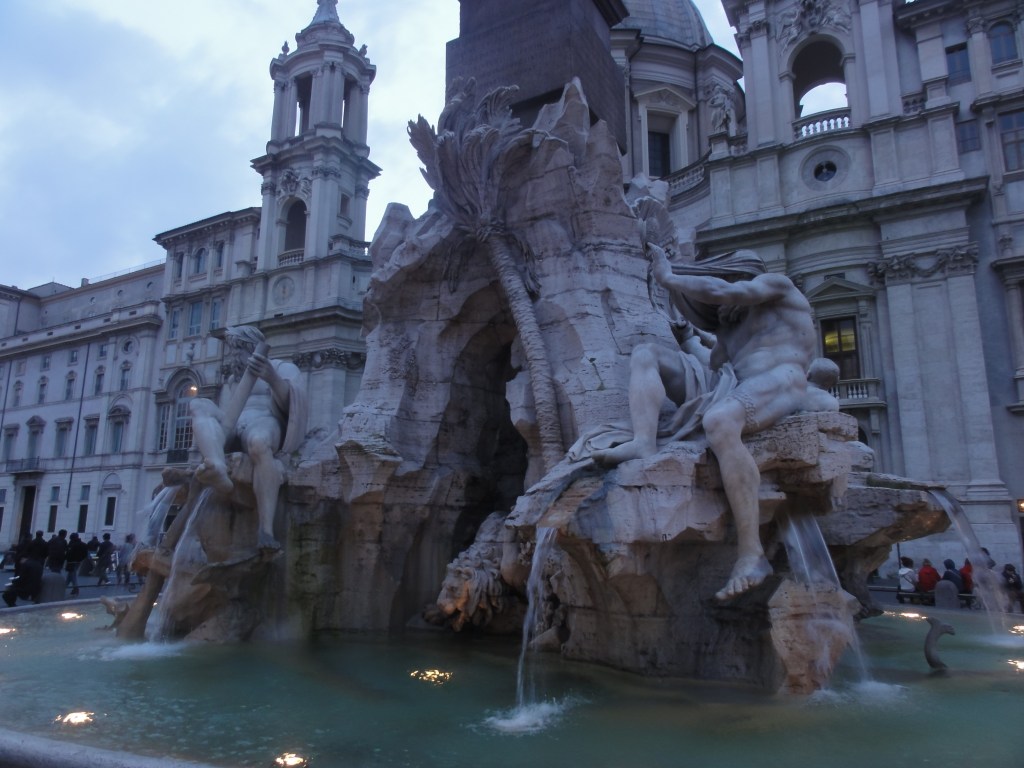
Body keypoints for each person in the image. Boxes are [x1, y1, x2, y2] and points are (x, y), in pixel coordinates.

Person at [591, 246, 816, 601]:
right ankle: (643, 441)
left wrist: (668, 278)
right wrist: (689, 339)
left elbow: (727, 293)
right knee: (646, 353)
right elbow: (714, 363)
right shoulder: (730, 324)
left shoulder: (776, 285)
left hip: (782, 379)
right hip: (730, 384)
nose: (719, 309)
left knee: (720, 421)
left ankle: (751, 554)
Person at [189, 325, 307, 550]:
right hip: (236, 424)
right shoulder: (234, 379)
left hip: (266, 421)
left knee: (259, 442)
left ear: (250, 347)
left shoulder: (283, 367)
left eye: (236, 350)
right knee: (198, 404)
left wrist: (273, 378)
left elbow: (295, 405)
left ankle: (266, 530)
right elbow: (229, 411)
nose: (233, 356)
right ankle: (216, 465)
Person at [64, 532, 88, 596]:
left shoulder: (72, 544)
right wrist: (81, 559)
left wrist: (66, 558)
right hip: (78, 561)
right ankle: (64, 587)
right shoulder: (83, 544)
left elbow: (68, 553)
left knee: (72, 575)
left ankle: (75, 588)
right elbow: (85, 554)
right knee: (70, 575)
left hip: (71, 561)